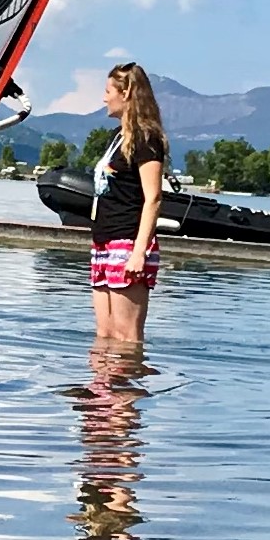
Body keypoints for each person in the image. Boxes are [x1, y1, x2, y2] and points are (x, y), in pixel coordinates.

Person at [89, 62, 169, 346]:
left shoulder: (146, 139)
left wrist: (138, 253)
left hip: (127, 241)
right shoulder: (116, 138)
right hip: (103, 240)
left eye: (108, 90)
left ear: (126, 94)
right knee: (105, 335)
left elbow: (153, 198)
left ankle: (127, 388)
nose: (103, 97)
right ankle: (101, 387)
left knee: (126, 337)